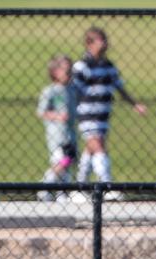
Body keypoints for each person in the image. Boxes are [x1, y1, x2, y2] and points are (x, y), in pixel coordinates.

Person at [71, 27, 147, 199]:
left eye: (104, 40)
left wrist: (134, 104)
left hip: (102, 115)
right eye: (99, 40)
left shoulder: (108, 66)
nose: (104, 44)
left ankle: (79, 187)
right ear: (89, 43)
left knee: (91, 149)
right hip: (87, 115)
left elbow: (119, 88)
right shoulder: (82, 67)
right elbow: (73, 92)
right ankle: (106, 185)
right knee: (98, 146)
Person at [35, 55, 77, 202]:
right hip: (56, 134)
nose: (69, 73)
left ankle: (62, 194)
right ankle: (45, 186)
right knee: (62, 161)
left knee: (68, 163)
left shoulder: (71, 89)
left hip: (69, 133)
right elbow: (41, 111)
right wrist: (57, 116)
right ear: (55, 72)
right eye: (66, 70)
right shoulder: (50, 91)